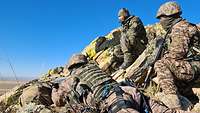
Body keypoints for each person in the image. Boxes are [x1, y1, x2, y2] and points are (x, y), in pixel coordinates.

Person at [52, 54, 196, 113]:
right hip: (129, 91)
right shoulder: (94, 68)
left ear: (71, 67)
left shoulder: (71, 79)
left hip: (114, 100)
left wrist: (54, 88)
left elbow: (58, 102)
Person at [154, 1, 200, 110]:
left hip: (196, 66)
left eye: (161, 18)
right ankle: (189, 94)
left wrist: (163, 57)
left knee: (161, 64)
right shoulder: (182, 26)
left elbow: (176, 54)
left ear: (169, 16)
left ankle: (174, 104)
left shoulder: (179, 28)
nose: (160, 21)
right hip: (193, 66)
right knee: (170, 70)